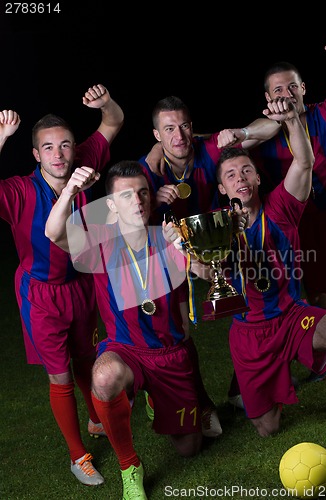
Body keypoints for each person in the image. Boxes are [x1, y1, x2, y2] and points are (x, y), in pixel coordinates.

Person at [211, 96, 326, 463]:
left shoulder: (281, 206)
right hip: (249, 335)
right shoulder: (214, 227)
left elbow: (304, 161)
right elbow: (204, 274)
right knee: (267, 427)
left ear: (257, 176)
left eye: (246, 171)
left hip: (290, 317)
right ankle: (277, 378)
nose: (241, 178)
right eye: (231, 175)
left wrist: (291, 120)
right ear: (222, 188)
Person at [218, 30, 326, 406]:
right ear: (267, 100)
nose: (284, 95)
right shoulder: (263, 135)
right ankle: (323, 356)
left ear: (303, 88)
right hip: (310, 220)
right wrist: (241, 131)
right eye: (276, 92)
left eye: (290, 87)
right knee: (318, 293)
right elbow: (249, 135)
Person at [45, 160, 215, 499]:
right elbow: (54, 232)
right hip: (126, 351)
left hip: (171, 354)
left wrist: (183, 251)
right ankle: (129, 466)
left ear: (150, 199)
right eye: (126, 196)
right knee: (104, 378)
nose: (137, 201)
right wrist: (69, 192)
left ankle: (158, 396)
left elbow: (209, 276)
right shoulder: (99, 246)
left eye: (142, 193)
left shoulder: (168, 236)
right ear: (111, 205)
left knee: (189, 449)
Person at [0, 84, 124, 486]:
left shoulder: (83, 163)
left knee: (88, 358)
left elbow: (114, 120)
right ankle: (78, 456)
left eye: (65, 145)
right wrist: (1, 136)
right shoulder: (19, 190)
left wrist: (105, 103)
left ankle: (94, 419)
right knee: (60, 375)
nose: (59, 155)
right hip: (41, 296)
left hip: (81, 286)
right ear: (36, 155)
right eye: (49, 148)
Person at [140, 96, 280, 414]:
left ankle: (239, 387)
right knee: (176, 330)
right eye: (169, 129)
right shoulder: (147, 169)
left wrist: (240, 132)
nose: (179, 136)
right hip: (168, 251)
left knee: (255, 302)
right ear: (156, 135)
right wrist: (154, 201)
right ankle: (197, 402)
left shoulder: (208, 148)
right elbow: (123, 214)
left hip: (218, 246)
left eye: (185, 126)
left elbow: (272, 126)